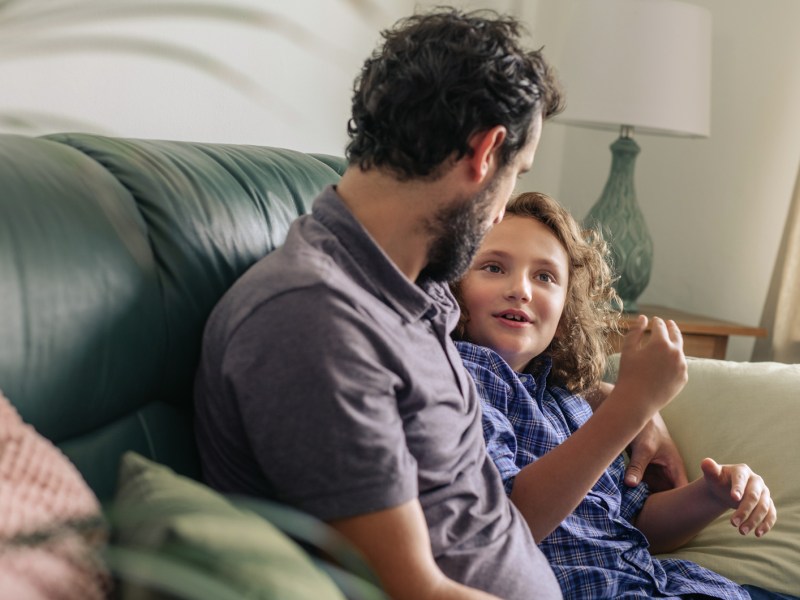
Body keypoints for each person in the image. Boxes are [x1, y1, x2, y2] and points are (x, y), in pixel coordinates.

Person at [194, 8, 683, 599]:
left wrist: (621, 401)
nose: (502, 213)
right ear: (485, 153)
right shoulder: (315, 322)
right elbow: (416, 591)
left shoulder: (406, 292)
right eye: (516, 175)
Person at [452, 191, 783, 599]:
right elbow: (507, 525)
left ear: (566, 306)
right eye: (493, 267)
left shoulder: (565, 398)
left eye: (545, 277)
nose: (521, 289)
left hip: (659, 582)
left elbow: (635, 524)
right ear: (452, 284)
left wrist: (712, 495)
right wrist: (631, 407)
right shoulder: (464, 375)